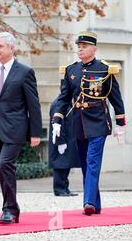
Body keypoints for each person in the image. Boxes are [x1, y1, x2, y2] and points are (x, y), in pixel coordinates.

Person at [51, 31, 126, 215]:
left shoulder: (104, 69)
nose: (80, 49)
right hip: (78, 123)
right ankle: (96, 204)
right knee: (85, 164)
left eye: (84, 46)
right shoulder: (71, 70)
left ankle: (89, 202)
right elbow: (64, 98)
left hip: (99, 122)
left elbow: (116, 98)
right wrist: (57, 120)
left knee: (92, 161)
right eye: (79, 46)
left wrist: (121, 124)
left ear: (94, 49)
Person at [0, 32, 42, 224]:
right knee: (1, 169)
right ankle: (12, 208)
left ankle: (9, 209)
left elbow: (33, 105)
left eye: (0, 46)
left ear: (11, 48)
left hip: (15, 129)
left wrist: (35, 133)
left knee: (5, 164)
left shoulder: (24, 72)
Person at [48, 95, 80, 197]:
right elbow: (57, 123)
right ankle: (59, 189)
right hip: (61, 140)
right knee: (60, 165)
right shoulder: (59, 103)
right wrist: (60, 141)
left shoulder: (67, 102)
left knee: (66, 165)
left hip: (68, 139)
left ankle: (65, 188)